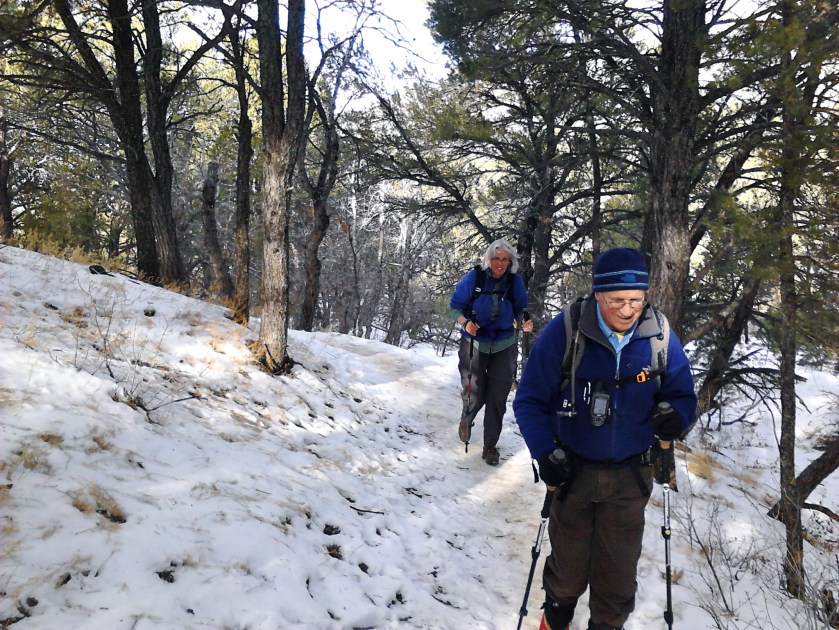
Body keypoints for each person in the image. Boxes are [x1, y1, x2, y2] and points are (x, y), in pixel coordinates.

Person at [513, 247, 697, 630]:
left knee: (617, 582)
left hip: (631, 478)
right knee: (566, 574)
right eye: (617, 301)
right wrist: (545, 452)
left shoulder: (659, 335)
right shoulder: (567, 330)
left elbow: (682, 395)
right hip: (572, 473)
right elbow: (530, 399)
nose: (628, 310)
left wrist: (674, 418)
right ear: (598, 294)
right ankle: (556, 619)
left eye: (636, 299)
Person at [450, 238, 533, 465]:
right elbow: (455, 307)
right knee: (474, 392)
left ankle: (490, 446)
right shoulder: (474, 278)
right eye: (496, 258)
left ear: (510, 262)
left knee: (497, 397)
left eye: (505, 259)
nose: (500, 263)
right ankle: (467, 418)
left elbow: (521, 309)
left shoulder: (514, 282)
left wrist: (525, 322)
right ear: (489, 259)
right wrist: (465, 323)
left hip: (504, 343)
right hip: (474, 342)